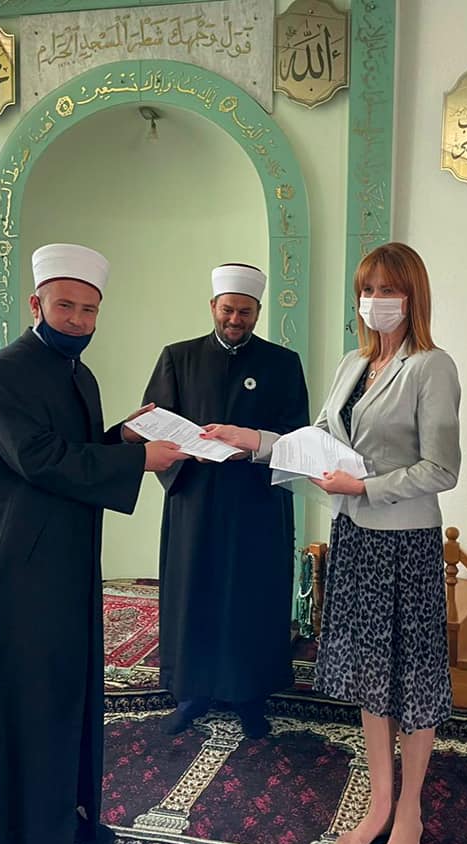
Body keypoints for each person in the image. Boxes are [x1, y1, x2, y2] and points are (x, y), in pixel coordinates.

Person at [207, 242, 462, 844]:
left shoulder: (431, 366)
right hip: (354, 537)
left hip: (404, 544)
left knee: (413, 679)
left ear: (413, 296)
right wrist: (255, 440)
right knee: (372, 678)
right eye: (366, 290)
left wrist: (365, 486)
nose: (374, 301)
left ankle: (409, 812)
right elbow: (318, 437)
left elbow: (442, 469)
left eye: (387, 290)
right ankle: (378, 806)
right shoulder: (354, 362)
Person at [0, 243, 187, 844]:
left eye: (89, 310)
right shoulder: (4, 372)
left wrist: (123, 436)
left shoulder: (79, 374)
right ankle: (18, 833)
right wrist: (138, 459)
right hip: (19, 571)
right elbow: (40, 459)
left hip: (65, 562)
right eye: (66, 306)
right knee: (28, 701)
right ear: (36, 304)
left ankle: (60, 822)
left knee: (64, 698)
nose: (78, 320)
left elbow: (75, 452)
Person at [137, 263, 309, 738]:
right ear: (213, 306)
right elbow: (154, 425)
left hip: (256, 501)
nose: (236, 319)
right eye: (228, 310)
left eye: (245, 312)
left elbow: (298, 435)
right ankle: (191, 692)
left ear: (258, 312)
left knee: (252, 595)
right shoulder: (179, 357)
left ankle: (250, 695)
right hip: (196, 498)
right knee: (195, 592)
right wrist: (185, 449)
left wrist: (250, 444)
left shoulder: (282, 363)